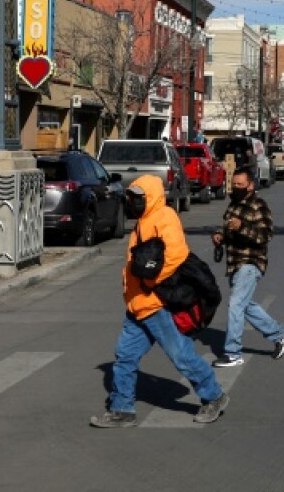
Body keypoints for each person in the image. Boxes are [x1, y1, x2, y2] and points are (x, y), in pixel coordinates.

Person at [91, 174, 229, 427]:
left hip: (156, 304)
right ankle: (123, 409)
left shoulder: (164, 216)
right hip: (138, 304)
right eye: (131, 198)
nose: (133, 202)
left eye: (138, 198)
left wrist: (149, 282)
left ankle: (214, 396)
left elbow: (176, 255)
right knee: (125, 356)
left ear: (151, 196)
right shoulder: (143, 221)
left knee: (181, 356)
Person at [211, 169, 284, 368]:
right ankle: (280, 333)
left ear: (251, 185)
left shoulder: (258, 205)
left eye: (241, 184)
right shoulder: (233, 205)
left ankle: (233, 353)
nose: (236, 187)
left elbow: (266, 235)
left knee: (236, 305)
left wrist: (242, 227)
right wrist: (220, 235)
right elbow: (230, 229)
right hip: (235, 262)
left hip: (251, 261)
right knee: (245, 305)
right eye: (234, 184)